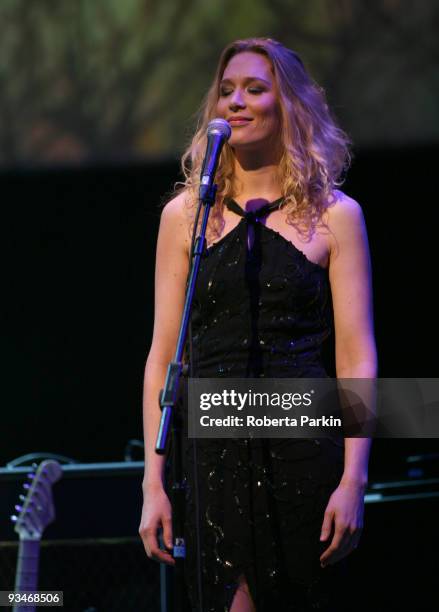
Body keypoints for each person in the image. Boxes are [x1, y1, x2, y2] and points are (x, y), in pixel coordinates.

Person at [139, 37, 377, 612]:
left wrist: (353, 480)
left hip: (303, 445)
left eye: (254, 89)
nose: (235, 103)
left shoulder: (335, 216)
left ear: (287, 105)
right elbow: (164, 357)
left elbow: (357, 357)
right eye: (226, 91)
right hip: (213, 454)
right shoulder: (185, 218)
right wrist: (152, 483)